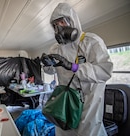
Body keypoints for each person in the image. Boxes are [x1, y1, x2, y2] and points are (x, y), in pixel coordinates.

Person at [41, 3, 113, 136]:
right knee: (64, 131)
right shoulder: (56, 48)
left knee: (88, 132)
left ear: (72, 20)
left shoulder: (92, 42)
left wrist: (73, 66)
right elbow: (51, 72)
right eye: (56, 25)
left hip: (88, 104)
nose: (59, 27)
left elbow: (105, 71)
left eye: (62, 22)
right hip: (65, 104)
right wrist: (46, 65)